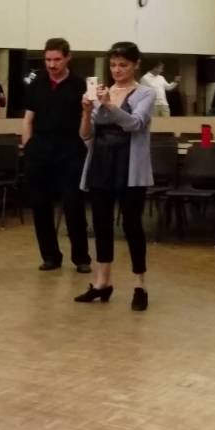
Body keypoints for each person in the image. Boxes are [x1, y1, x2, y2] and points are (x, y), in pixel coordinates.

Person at [76, 42, 155, 312]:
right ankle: (102, 283)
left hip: (129, 165)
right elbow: (86, 135)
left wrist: (109, 105)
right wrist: (87, 111)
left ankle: (140, 284)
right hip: (102, 163)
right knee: (101, 224)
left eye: (123, 65)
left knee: (132, 225)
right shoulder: (103, 93)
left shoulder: (146, 92)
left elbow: (135, 124)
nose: (117, 70)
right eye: (113, 65)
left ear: (135, 65)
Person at [23, 37, 91, 273]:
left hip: (70, 148)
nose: (52, 65)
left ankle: (81, 257)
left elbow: (87, 120)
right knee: (40, 206)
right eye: (48, 59)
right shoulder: (37, 83)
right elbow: (28, 119)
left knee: (74, 205)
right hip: (40, 148)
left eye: (57, 59)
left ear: (67, 57)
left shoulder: (80, 84)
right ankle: (50, 256)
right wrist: (27, 148)